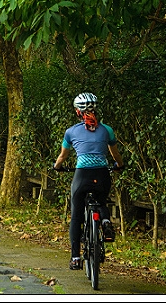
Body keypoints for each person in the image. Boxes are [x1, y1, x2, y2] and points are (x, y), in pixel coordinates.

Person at [53, 92, 124, 271]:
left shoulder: (70, 132)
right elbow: (115, 154)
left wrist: (57, 167)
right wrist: (119, 165)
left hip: (81, 175)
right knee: (101, 201)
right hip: (101, 174)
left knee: (76, 215)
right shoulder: (107, 130)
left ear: (78, 112)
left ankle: (75, 257)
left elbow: (62, 156)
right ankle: (106, 222)